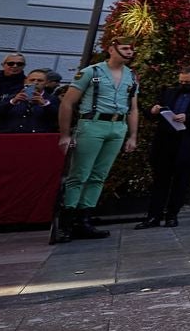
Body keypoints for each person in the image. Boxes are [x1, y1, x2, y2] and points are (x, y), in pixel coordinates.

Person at [57, 39, 140, 239]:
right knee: (79, 173)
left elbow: (133, 108)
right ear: (111, 50)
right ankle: (66, 222)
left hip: (118, 126)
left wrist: (133, 135)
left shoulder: (131, 76)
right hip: (92, 124)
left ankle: (84, 220)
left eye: (131, 49)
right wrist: (65, 134)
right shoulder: (91, 72)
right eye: (125, 48)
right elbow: (67, 103)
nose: (129, 52)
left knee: (99, 175)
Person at [136, 66, 190, 229]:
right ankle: (153, 216)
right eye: (181, 81)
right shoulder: (170, 92)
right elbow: (153, 114)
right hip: (165, 141)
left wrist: (188, 117)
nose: (184, 84)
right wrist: (154, 110)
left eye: (188, 82)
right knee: (160, 181)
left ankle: (172, 215)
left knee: (181, 181)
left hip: (188, 142)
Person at [0, 68, 60, 134]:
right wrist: (12, 102)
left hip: (38, 138)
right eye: (32, 80)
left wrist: (45, 104)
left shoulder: (53, 99)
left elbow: (57, 119)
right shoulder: (12, 97)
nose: (35, 83)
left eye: (40, 80)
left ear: (46, 83)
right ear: (25, 81)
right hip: (11, 137)